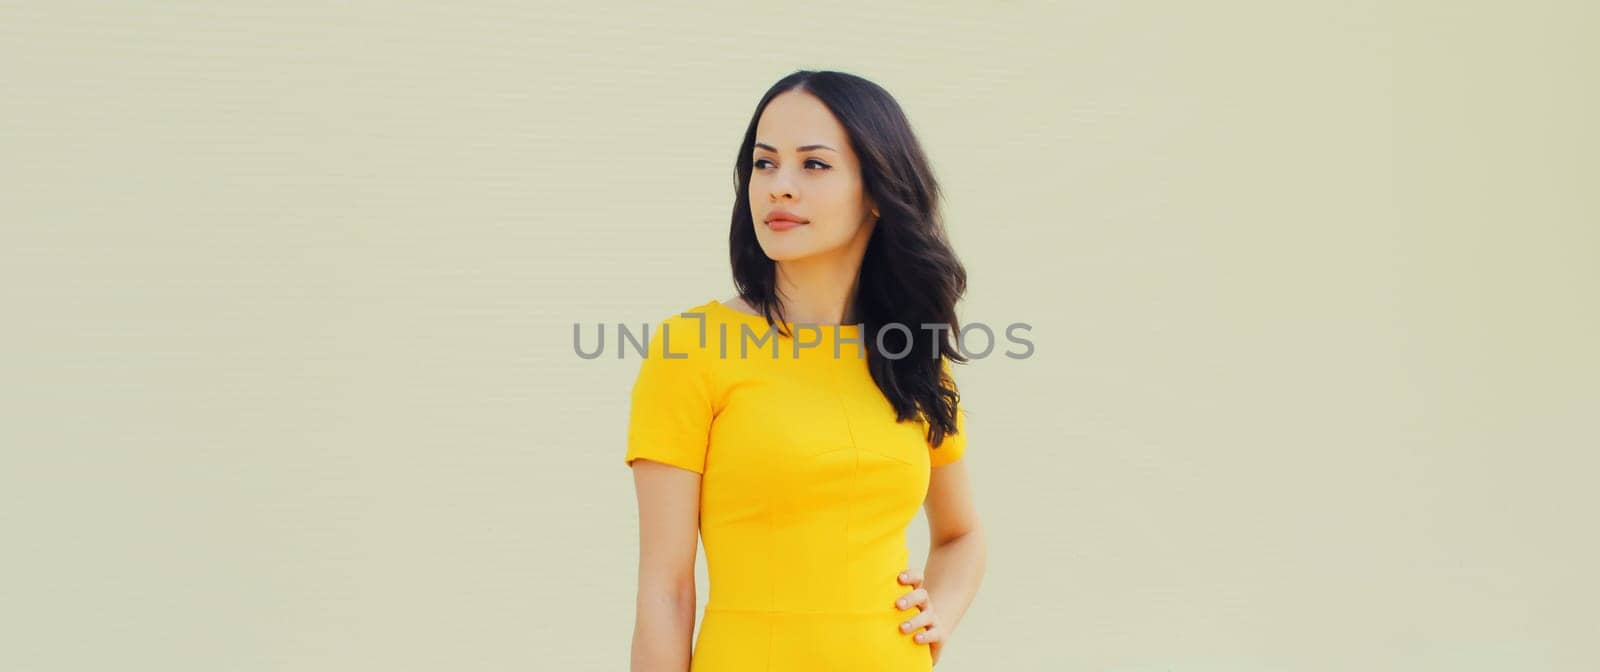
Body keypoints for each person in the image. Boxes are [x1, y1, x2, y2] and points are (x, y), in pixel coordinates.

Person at [625, 70, 986, 671]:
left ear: (877, 188)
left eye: (813, 165)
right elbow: (666, 592)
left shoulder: (912, 355)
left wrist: (938, 614)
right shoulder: (691, 347)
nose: (778, 188)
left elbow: (962, 535)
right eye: (764, 164)